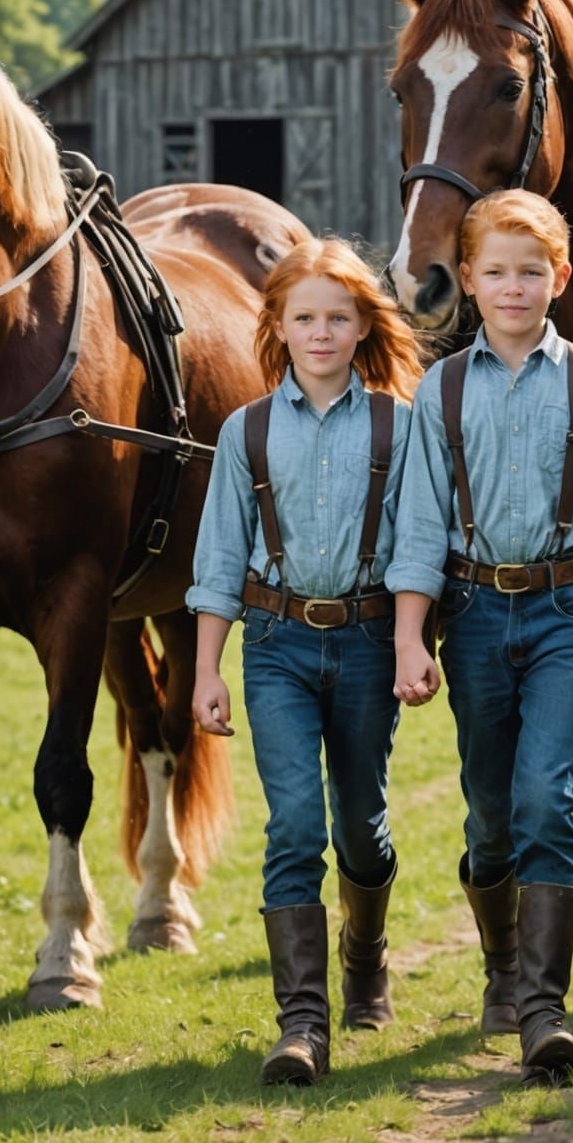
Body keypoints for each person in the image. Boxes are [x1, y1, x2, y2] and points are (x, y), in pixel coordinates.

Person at [386, 189, 573, 1085]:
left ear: (561, 279)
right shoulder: (444, 389)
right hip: (471, 616)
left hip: (563, 611)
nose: (514, 288)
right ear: (467, 280)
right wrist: (409, 640)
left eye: (532, 271)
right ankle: (503, 971)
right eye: (497, 272)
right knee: (490, 813)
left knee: (550, 795)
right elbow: (420, 527)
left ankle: (544, 1010)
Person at [190, 238, 425, 1087]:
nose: (320, 333)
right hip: (277, 647)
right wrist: (207, 670)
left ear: (364, 326)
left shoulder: (403, 428)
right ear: (279, 327)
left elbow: (418, 550)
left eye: (338, 317)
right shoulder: (244, 433)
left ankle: (366, 957)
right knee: (293, 824)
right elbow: (218, 563)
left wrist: (407, 642)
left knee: (360, 825)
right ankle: (302, 1026)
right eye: (304, 318)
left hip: (365, 644)